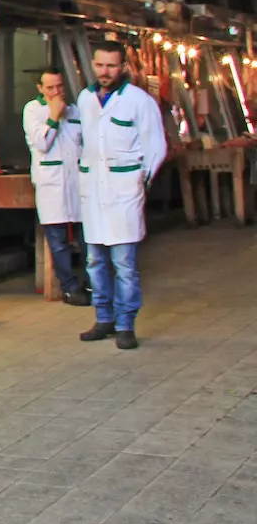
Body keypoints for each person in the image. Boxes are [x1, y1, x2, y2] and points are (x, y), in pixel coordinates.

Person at [76, 41, 165, 350]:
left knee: (124, 264)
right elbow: (82, 141)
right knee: (94, 261)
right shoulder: (85, 99)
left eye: (111, 66)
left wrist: (141, 181)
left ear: (123, 67)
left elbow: (156, 147)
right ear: (93, 64)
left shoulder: (139, 101)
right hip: (93, 193)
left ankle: (126, 324)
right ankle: (104, 319)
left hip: (124, 192)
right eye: (100, 65)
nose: (105, 72)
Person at [23, 68, 91, 307]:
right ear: (40, 89)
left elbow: (85, 143)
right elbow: (41, 142)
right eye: (50, 87)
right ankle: (70, 287)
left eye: (59, 86)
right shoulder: (32, 110)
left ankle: (92, 283)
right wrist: (53, 117)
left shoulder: (75, 111)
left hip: (77, 182)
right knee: (58, 239)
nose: (56, 92)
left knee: (87, 237)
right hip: (51, 184)